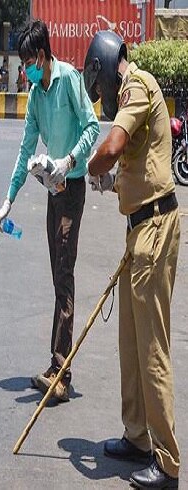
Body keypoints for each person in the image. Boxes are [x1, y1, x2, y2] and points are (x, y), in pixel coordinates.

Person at [84, 30, 180, 489]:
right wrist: (111, 184)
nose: (101, 95)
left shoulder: (137, 85)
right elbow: (137, 166)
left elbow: (114, 147)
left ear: (104, 68)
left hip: (154, 228)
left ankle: (166, 461)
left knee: (152, 348)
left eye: (98, 85)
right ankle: (138, 437)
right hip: (139, 228)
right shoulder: (131, 93)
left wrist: (91, 167)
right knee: (130, 341)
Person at [0, 20, 99, 402]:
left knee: (64, 274)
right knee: (57, 276)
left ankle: (61, 371)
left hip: (71, 187)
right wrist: (7, 202)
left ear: (42, 55)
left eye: (29, 63)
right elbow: (25, 151)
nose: (27, 72)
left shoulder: (69, 79)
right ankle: (57, 363)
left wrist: (68, 160)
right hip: (52, 190)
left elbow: (92, 127)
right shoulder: (36, 93)